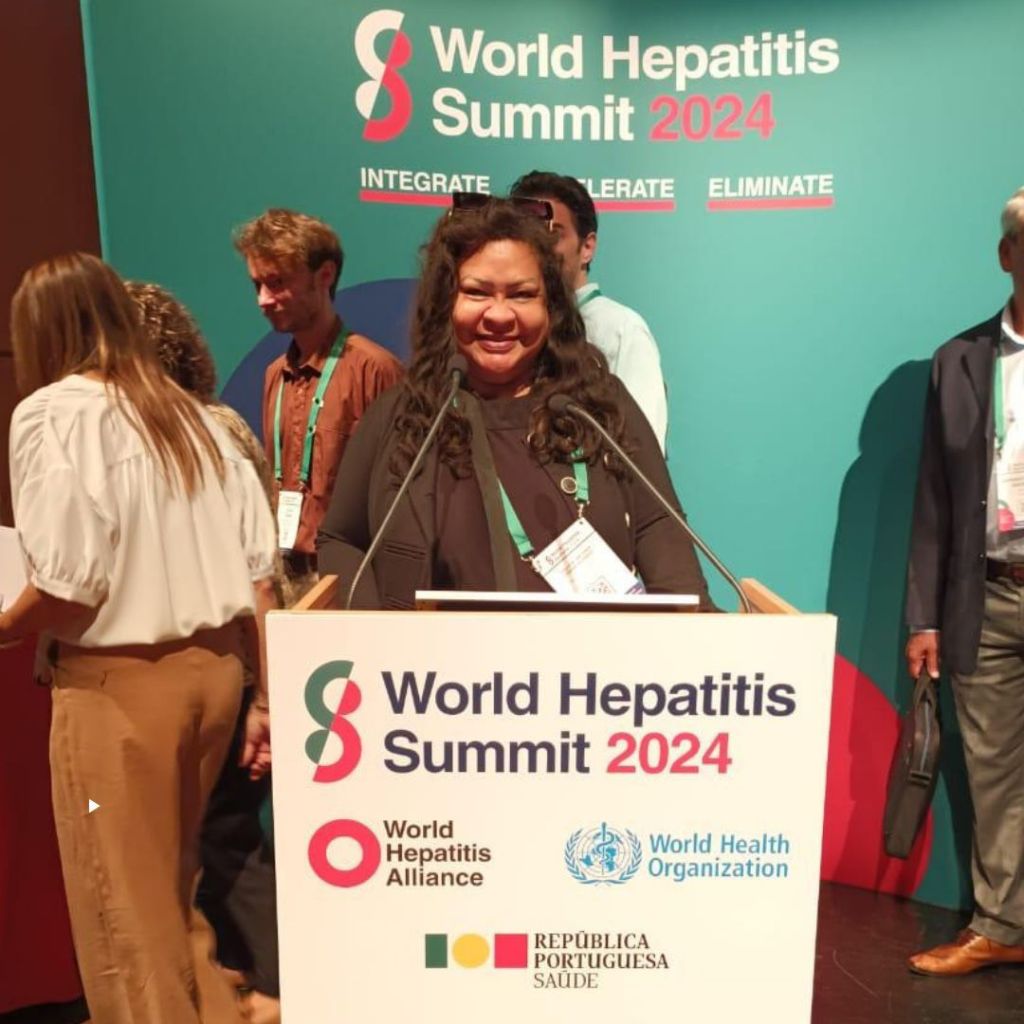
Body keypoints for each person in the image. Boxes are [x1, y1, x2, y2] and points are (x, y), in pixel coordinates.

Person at [0, 253, 277, 1023]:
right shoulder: (198, 418)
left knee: (122, 908)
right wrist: (263, 696)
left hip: (120, 692)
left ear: (37, 331)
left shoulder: (52, 414)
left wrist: (5, 627)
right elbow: (259, 573)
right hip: (213, 679)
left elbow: (69, 581)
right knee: (174, 895)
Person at [317, 196, 711, 608]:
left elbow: (658, 525)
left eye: (522, 295)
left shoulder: (599, 406)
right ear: (447, 301)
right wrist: (373, 632)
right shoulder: (402, 415)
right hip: (438, 653)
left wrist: (696, 627)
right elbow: (342, 539)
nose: (500, 315)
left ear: (551, 306)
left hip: (593, 652)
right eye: (477, 292)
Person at [126, 281, 282, 1023]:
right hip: (239, 661)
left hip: (222, 659)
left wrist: (262, 693)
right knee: (219, 835)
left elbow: (252, 569)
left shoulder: (190, 433)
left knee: (222, 836)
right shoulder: (221, 425)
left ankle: (280, 981)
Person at [905, 185, 1024, 976]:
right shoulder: (959, 360)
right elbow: (933, 501)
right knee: (994, 774)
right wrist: (924, 617)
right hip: (987, 594)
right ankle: (1003, 926)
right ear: (1009, 255)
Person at [234, 209, 404, 605]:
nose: (263, 300)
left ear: (324, 275)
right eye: (257, 285)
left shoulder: (375, 370)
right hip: (284, 575)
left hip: (346, 580)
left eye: (277, 282)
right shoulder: (274, 375)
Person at [510, 171, 669, 451]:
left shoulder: (621, 329)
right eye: (526, 234)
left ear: (587, 247)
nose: (538, 247)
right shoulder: (502, 329)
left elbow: (643, 450)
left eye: (553, 234)